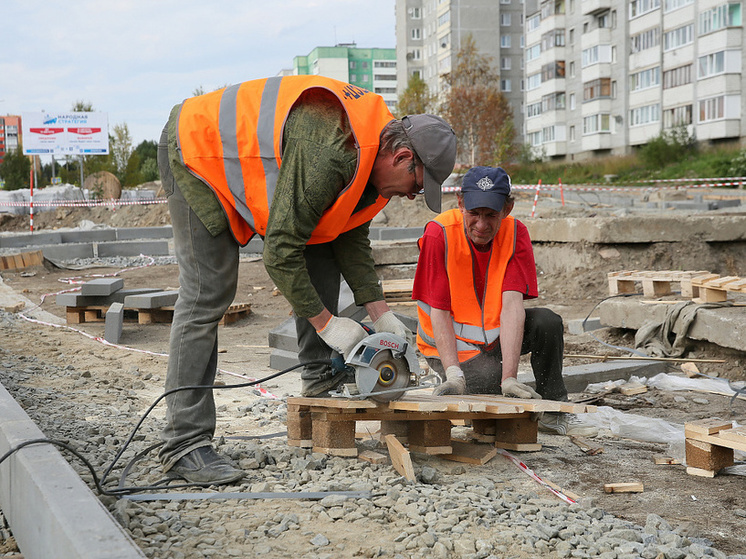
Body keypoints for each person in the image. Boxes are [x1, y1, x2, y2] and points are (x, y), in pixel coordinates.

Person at [157, 75, 457, 485]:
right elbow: (279, 251)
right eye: (416, 186)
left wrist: (380, 312)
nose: (411, 197)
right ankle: (183, 443)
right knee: (208, 292)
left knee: (323, 239)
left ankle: (320, 380)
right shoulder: (331, 152)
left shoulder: (370, 156)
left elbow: (348, 231)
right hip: (197, 152)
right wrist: (327, 324)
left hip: (242, 159)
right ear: (403, 156)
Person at [412, 166, 593, 436]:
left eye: (491, 215)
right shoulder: (439, 234)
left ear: (507, 209)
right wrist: (454, 373)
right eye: (474, 214)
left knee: (547, 322)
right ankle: (463, 382)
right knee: (486, 385)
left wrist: (509, 377)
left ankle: (554, 411)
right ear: (460, 204)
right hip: (449, 350)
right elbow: (439, 311)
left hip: (492, 344)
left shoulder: (516, 234)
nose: (482, 225)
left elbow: (511, 307)